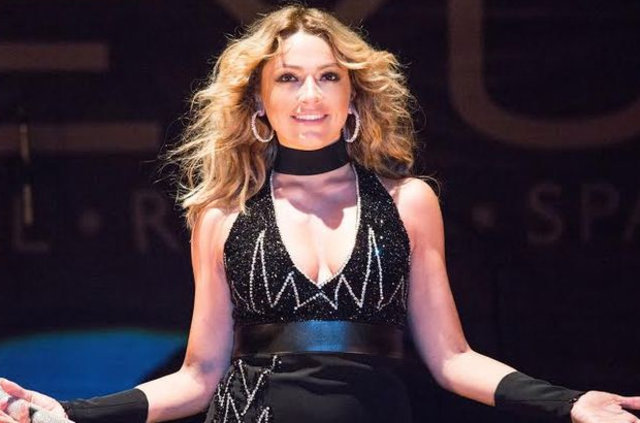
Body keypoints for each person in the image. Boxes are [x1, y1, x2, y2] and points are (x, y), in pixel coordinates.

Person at [1, 5, 639, 423]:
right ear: (259, 101)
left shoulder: (408, 202)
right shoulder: (222, 215)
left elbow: (452, 359)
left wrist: (570, 403)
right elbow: (198, 375)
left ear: (354, 95)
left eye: (329, 77)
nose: (310, 95)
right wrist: (70, 412)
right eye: (288, 78)